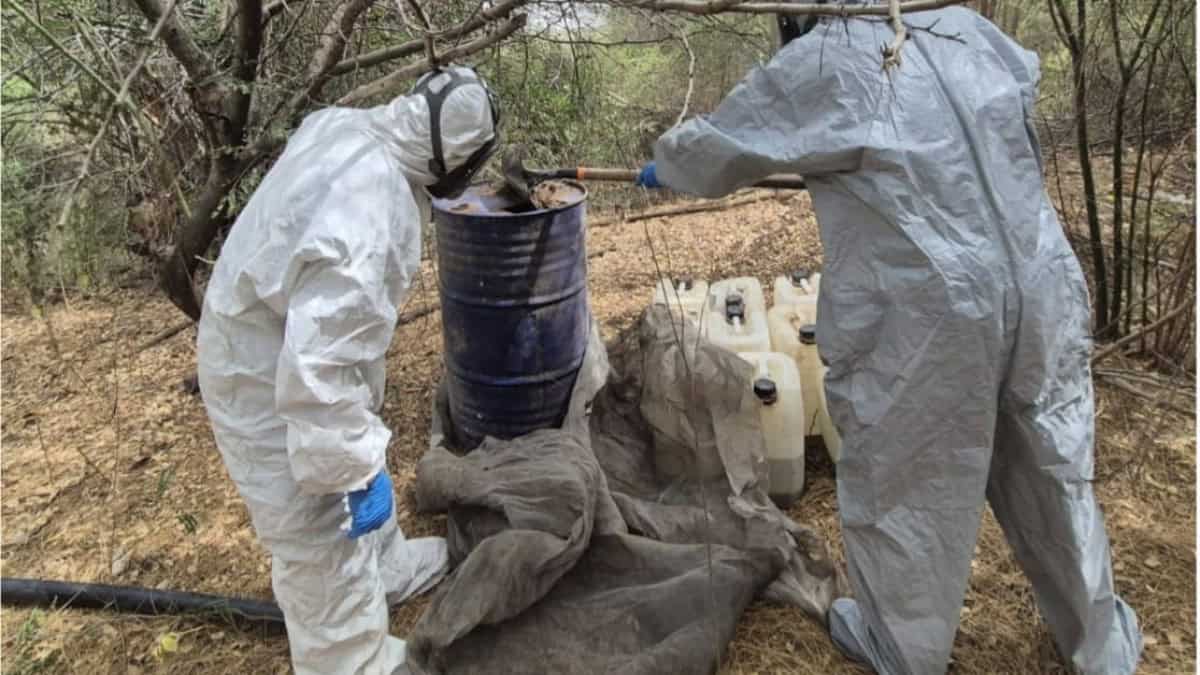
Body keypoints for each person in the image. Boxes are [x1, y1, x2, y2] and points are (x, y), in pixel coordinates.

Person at [635, 5, 1142, 674]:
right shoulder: (962, 26)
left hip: (931, 307)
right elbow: (1024, 76)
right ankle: (1100, 646)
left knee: (904, 473)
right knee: (1053, 461)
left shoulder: (832, 56)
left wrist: (662, 167)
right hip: (1038, 278)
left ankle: (900, 649)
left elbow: (717, 147)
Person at [196, 65, 501, 675]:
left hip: (276, 329)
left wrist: (358, 453)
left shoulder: (350, 128)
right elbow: (320, 378)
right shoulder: (370, 220)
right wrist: (351, 470)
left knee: (358, 455)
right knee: (318, 522)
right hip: (262, 374)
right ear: (456, 161)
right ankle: (349, 658)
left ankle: (385, 569)